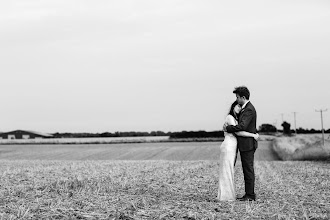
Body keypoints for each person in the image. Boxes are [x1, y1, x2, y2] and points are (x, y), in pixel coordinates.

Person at [218, 100, 259, 201]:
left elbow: (241, 128)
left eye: (240, 107)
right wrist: (253, 135)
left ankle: (241, 194)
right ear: (232, 107)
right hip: (229, 146)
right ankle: (225, 195)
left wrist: (229, 128)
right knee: (228, 169)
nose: (239, 109)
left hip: (234, 147)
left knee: (232, 169)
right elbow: (239, 132)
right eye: (238, 107)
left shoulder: (239, 116)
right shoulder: (230, 118)